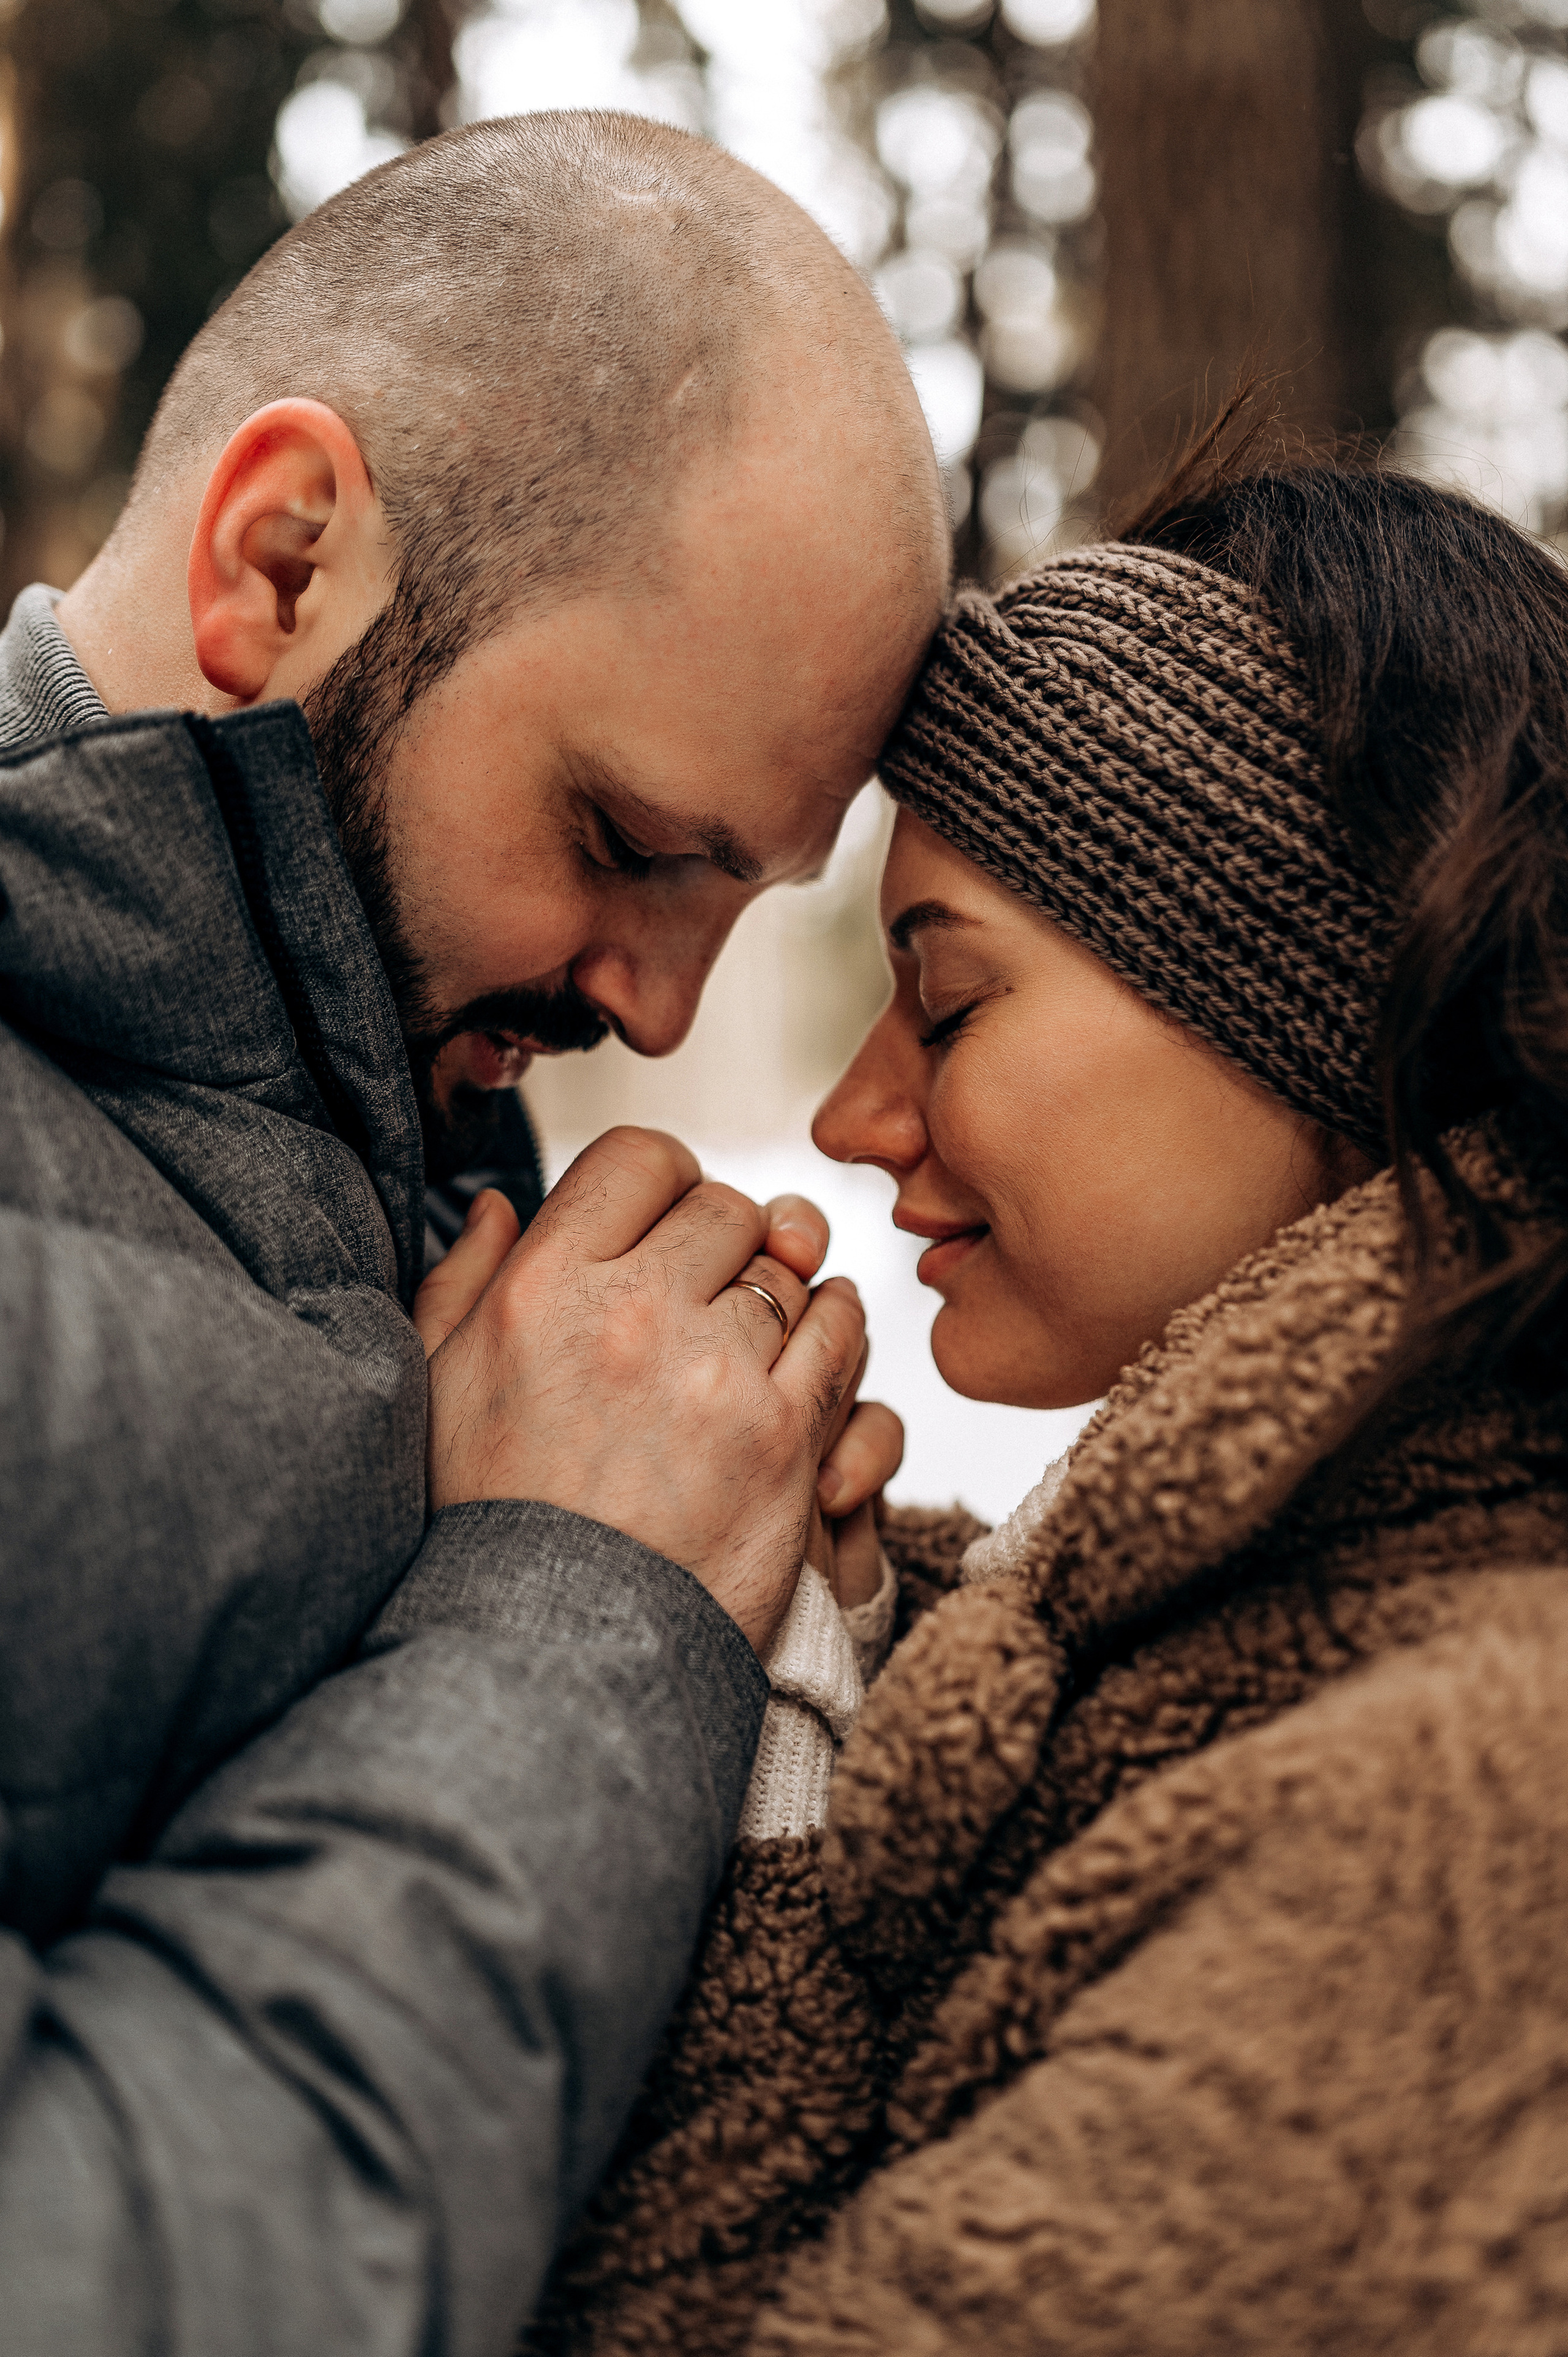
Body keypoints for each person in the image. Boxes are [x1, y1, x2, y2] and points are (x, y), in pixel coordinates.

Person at [0, 110, 944, 2351]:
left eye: (740, 904)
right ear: (283, 562)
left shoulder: (422, 1190)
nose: (659, 1007)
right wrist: (580, 1606)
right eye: (626, 839)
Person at [527, 437, 1568, 2356]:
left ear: (1322, 1011)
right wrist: (805, 1631)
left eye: (952, 998)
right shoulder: (1206, 1649)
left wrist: (748, 1752)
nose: (854, 1112)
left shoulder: (1469, 1821)